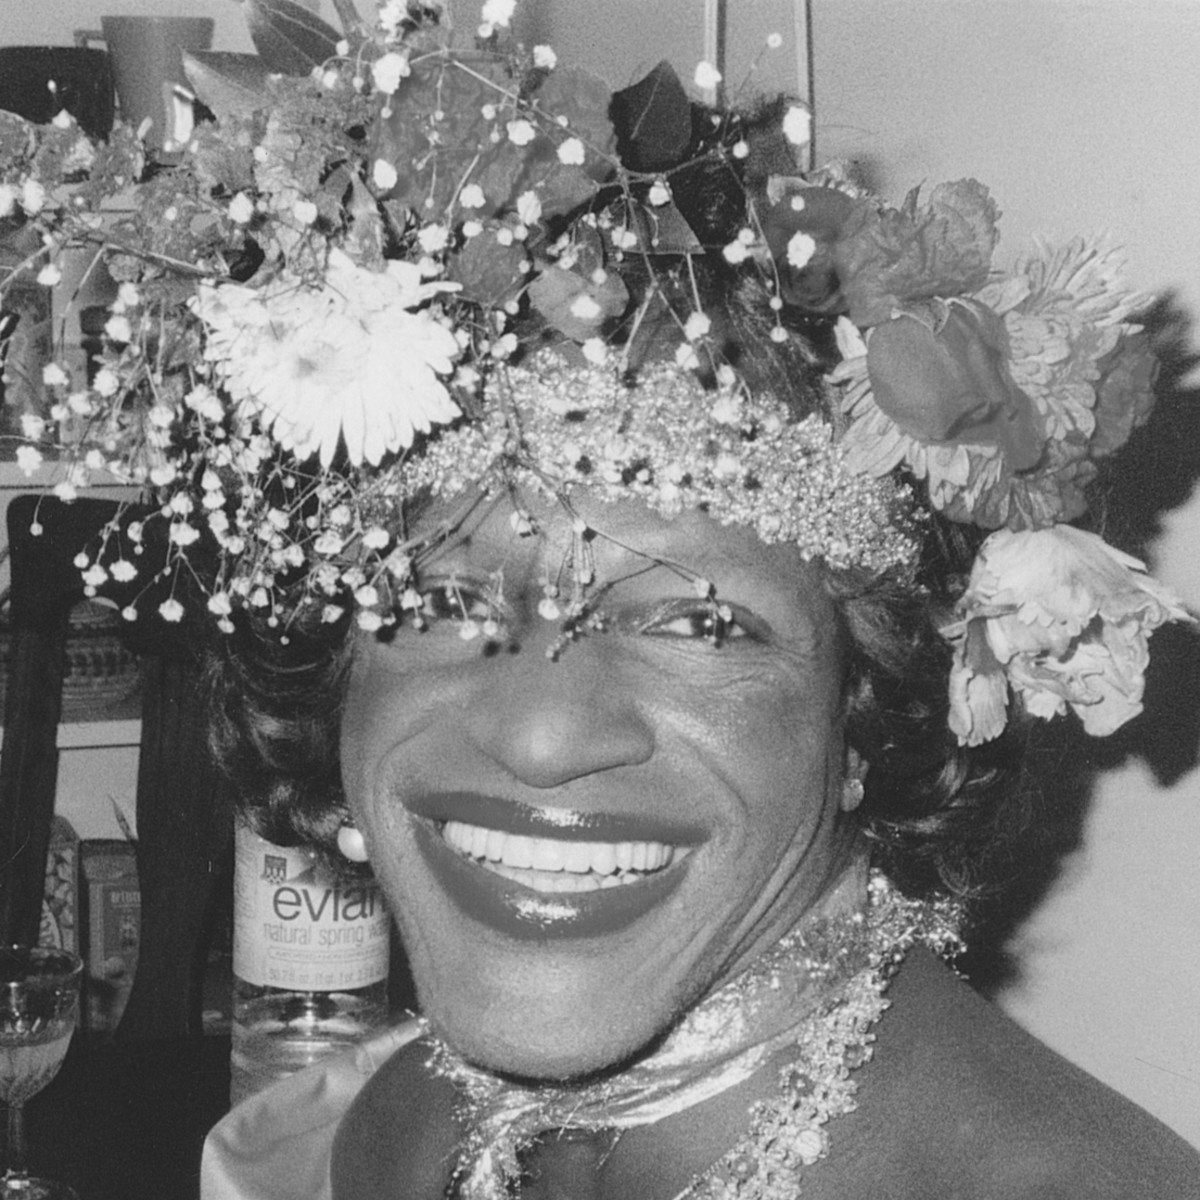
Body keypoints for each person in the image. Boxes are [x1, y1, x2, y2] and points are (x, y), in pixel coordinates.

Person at [4, 2, 1198, 1196]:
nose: (538, 732)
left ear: (865, 718)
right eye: (434, 600)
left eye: (699, 623)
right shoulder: (403, 1133)